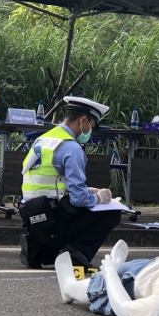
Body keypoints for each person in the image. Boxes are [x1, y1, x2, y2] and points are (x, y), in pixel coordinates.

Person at [18, 96, 121, 269]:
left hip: (33, 219)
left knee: (77, 206)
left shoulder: (43, 140)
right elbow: (79, 199)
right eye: (92, 126)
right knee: (112, 213)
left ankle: (39, 249)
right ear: (83, 120)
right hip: (54, 221)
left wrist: (88, 190)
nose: (90, 133)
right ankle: (75, 255)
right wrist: (100, 198)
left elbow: (49, 181)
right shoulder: (71, 148)